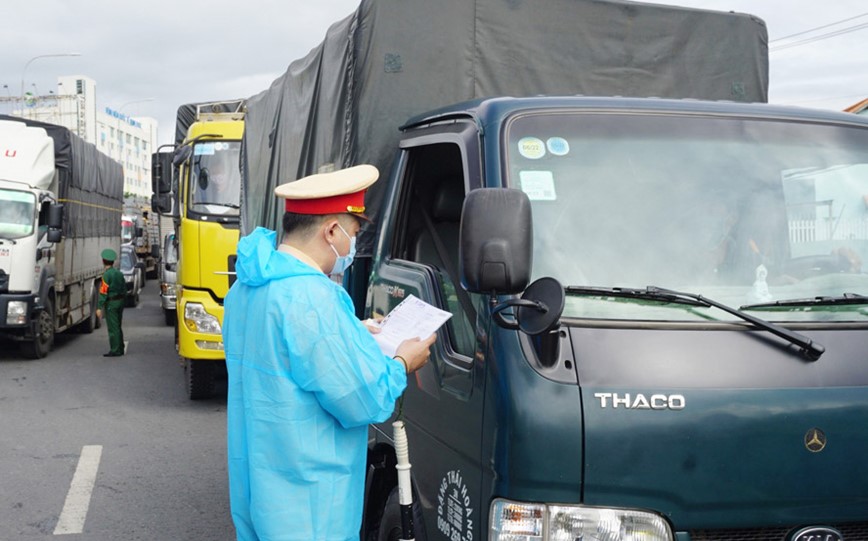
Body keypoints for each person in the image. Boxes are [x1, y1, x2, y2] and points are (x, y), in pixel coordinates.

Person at [222, 164, 436, 541]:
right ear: (332, 230)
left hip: (263, 486)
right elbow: (364, 400)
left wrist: (353, 333)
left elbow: (281, 355)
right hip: (308, 503)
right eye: (353, 233)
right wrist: (403, 362)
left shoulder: (248, 287)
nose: (353, 246)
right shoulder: (314, 298)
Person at [96, 248, 125, 357]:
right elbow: (124, 289)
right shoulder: (119, 273)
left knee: (113, 328)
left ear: (103, 261)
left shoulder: (106, 275)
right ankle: (121, 347)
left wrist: (99, 307)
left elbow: (103, 292)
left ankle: (115, 350)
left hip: (111, 304)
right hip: (120, 302)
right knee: (118, 325)